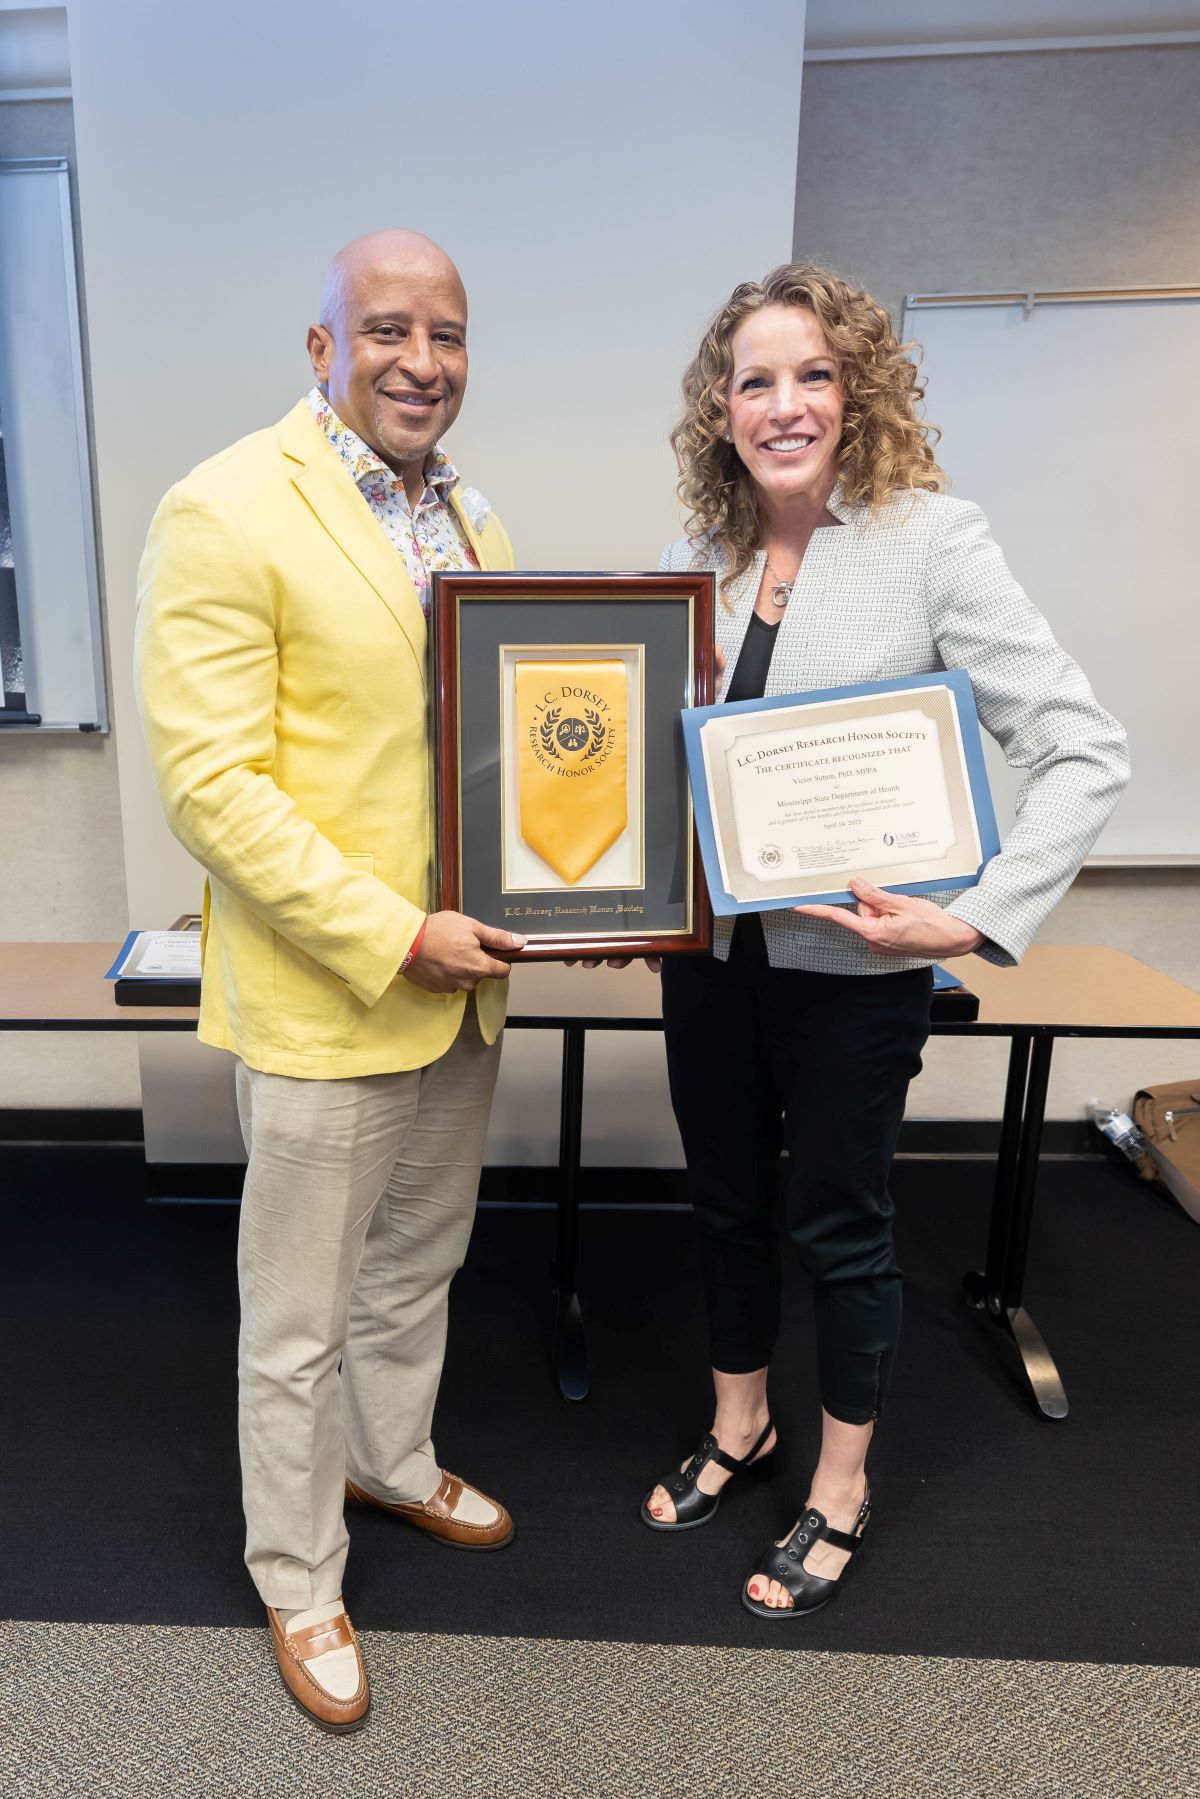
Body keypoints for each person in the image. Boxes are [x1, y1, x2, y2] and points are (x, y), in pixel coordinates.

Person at [641, 263, 1129, 1618]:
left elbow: (1085, 750)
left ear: (857, 390)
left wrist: (971, 916)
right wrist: (626, 895)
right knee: (725, 1201)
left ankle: (839, 1488)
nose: (784, 404)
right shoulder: (705, 555)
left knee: (839, 1224)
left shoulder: (931, 539)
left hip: (853, 980)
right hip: (711, 965)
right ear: (720, 408)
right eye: (755, 380)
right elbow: (670, 773)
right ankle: (743, 1427)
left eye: (813, 375)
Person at [135, 230, 525, 1731]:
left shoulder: (474, 520)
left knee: (418, 1262)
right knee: (296, 1315)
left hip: (466, 982)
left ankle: (393, 1456)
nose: (422, 361)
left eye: (448, 334)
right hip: (334, 993)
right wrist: (392, 930)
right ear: (321, 349)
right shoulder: (228, 506)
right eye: (386, 330)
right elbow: (214, 789)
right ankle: (300, 1575)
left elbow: (507, 737)